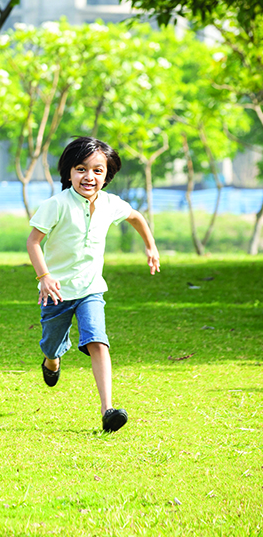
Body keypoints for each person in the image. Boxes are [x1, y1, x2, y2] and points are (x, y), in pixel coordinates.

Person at [26, 136, 160, 433]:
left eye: (98, 170)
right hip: (56, 292)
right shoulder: (57, 204)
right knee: (52, 344)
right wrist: (44, 277)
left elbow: (136, 217)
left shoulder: (111, 204)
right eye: (81, 169)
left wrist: (150, 247)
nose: (89, 176)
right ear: (69, 172)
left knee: (98, 341)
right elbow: (33, 241)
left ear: (107, 175)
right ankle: (51, 361)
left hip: (91, 290)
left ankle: (108, 410)